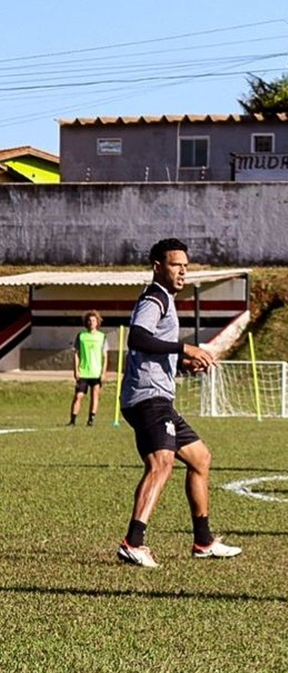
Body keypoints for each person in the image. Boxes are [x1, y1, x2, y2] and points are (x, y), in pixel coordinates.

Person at [117, 238, 242, 568]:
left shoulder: (167, 299)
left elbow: (152, 346)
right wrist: (183, 349)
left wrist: (180, 363)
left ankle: (203, 542)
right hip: (147, 397)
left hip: (159, 398)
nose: (183, 270)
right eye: (176, 265)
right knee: (161, 464)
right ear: (158, 266)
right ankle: (134, 542)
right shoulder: (155, 297)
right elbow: (138, 337)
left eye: (186, 265)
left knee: (200, 458)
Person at [69, 310, 108, 426]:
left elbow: (105, 356)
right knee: (78, 396)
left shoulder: (102, 337)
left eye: (94, 321)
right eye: (89, 321)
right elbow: (76, 354)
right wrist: (76, 369)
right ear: (86, 322)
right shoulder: (81, 336)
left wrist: (104, 372)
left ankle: (91, 420)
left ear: (97, 322)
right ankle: (72, 420)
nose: (91, 323)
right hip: (84, 372)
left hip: (96, 372)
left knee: (94, 395)